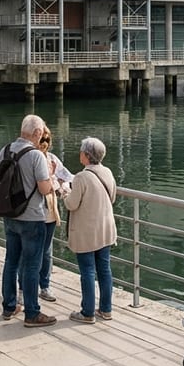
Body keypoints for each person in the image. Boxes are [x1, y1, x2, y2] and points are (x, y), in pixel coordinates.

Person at [0, 114, 57, 327]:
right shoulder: (36, 156)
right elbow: (44, 188)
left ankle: (9, 306)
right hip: (32, 217)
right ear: (37, 133)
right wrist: (50, 178)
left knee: (11, 261)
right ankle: (32, 313)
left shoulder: (4, 150)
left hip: (10, 214)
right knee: (32, 265)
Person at [63, 137, 117, 324]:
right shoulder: (108, 172)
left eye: (81, 151)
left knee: (87, 270)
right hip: (105, 228)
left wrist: (64, 191)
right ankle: (106, 309)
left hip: (86, 232)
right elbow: (113, 197)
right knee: (104, 269)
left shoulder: (81, 177)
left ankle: (87, 312)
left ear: (86, 155)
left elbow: (71, 204)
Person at [34, 128, 73, 303]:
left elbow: (67, 177)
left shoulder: (51, 159)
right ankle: (33, 285)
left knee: (45, 250)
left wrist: (61, 183)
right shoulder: (34, 158)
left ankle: (43, 285)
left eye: (47, 141)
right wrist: (56, 181)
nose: (45, 144)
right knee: (36, 250)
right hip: (34, 210)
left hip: (48, 210)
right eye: (44, 140)